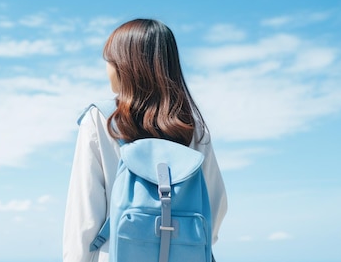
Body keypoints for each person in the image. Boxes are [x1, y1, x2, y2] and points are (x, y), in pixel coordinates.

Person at [63, 18, 227, 262]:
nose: (107, 68)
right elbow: (215, 207)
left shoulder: (100, 120)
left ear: (126, 66)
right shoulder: (192, 127)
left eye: (110, 60)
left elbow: (83, 218)